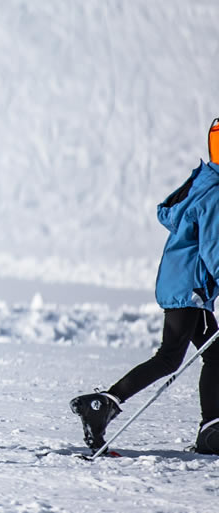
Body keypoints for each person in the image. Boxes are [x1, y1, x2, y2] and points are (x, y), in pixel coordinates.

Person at [72, 118, 219, 455]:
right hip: (189, 290)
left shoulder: (203, 183)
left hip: (183, 285)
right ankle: (103, 404)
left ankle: (212, 427)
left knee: (212, 356)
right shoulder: (216, 194)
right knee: (173, 357)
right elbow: (215, 250)